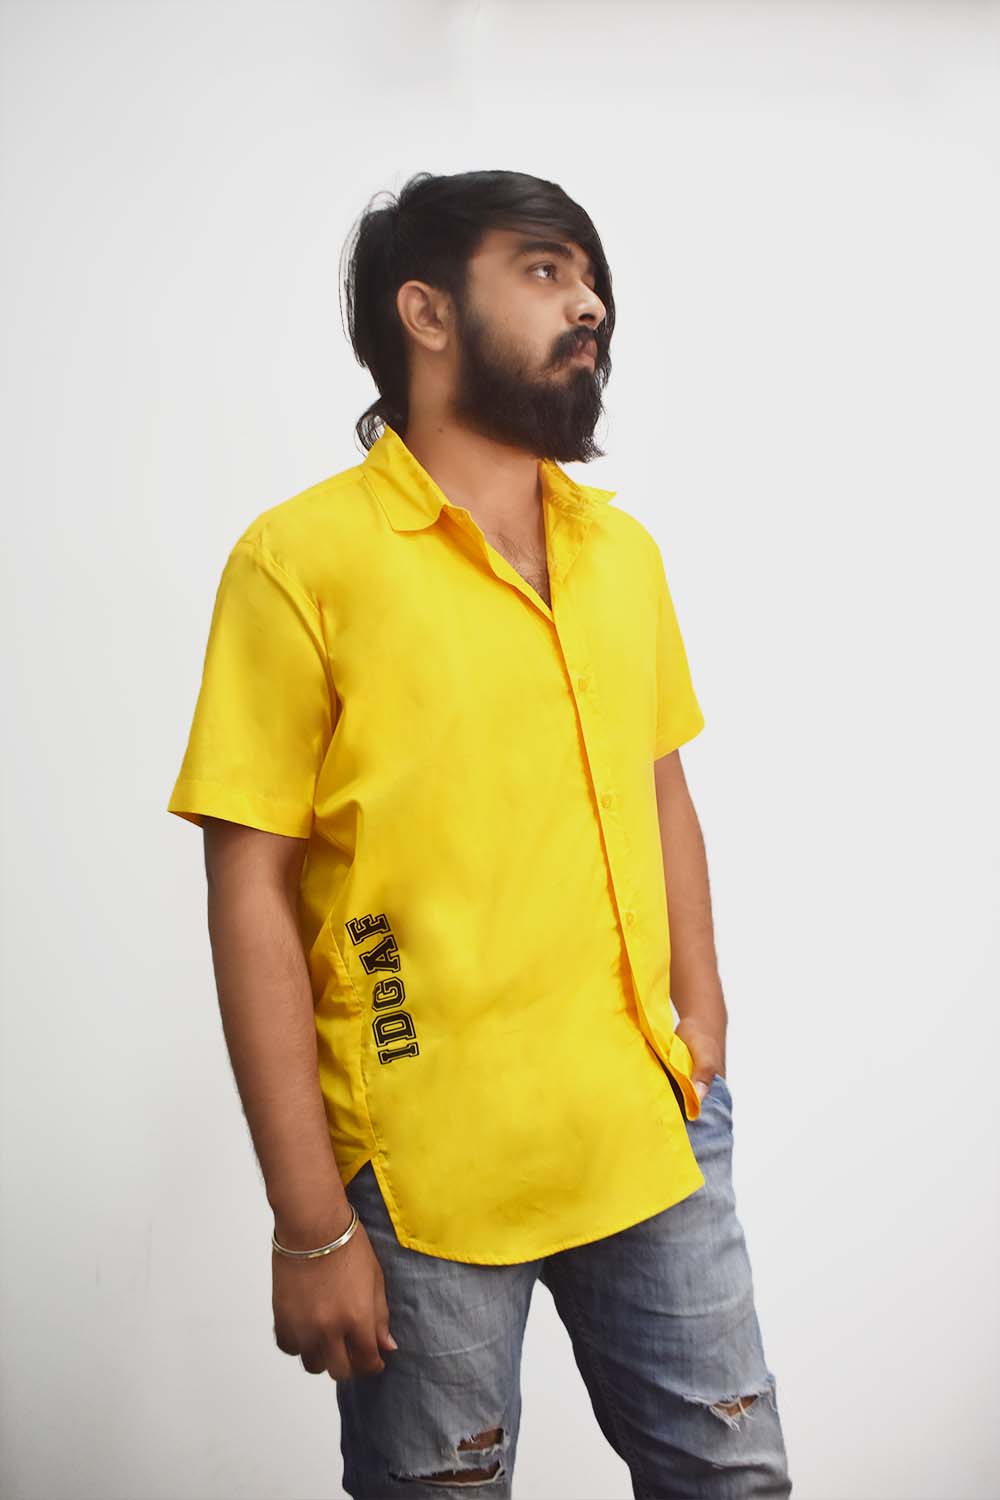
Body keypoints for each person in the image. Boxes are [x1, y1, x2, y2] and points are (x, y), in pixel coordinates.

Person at [167, 169, 792, 1499]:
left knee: (735, 1483)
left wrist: (705, 1024)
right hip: (424, 1172)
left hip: (647, 1132)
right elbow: (249, 886)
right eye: (545, 270)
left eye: (591, 277)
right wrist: (309, 1225)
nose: (591, 305)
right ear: (428, 312)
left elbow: (661, 787)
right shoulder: (299, 563)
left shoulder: (621, 554)